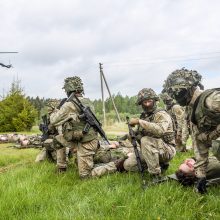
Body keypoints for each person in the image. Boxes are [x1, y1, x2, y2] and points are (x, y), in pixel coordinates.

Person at [164, 67, 220, 193]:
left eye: (177, 92)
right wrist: (201, 176)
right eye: (172, 93)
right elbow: (199, 144)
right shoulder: (191, 109)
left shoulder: (210, 100)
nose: (175, 97)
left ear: (189, 89)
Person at [50, 76, 119, 178]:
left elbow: (53, 121)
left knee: (85, 176)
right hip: (82, 139)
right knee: (57, 140)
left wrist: (54, 112)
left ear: (68, 89)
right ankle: (62, 167)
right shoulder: (87, 101)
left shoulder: (69, 105)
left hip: (86, 142)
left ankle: (116, 165)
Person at [128, 88, 176, 181]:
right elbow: (141, 136)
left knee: (145, 140)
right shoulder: (145, 116)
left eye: (149, 101)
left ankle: (156, 175)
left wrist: (139, 122)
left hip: (167, 150)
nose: (147, 104)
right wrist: (132, 134)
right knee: (128, 165)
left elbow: (160, 130)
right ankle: (157, 164)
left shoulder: (161, 114)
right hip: (152, 149)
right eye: (144, 102)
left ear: (154, 101)